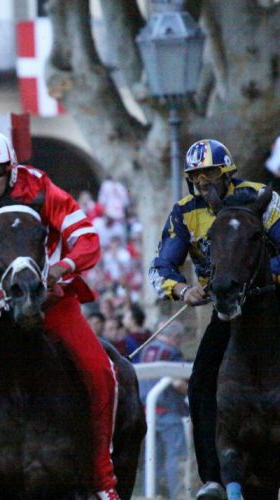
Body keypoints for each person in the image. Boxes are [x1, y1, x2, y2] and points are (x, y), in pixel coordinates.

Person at [0, 130, 119, 499]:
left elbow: (86, 239)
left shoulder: (41, 187)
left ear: (11, 169)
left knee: (102, 372)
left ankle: (102, 477)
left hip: (50, 299)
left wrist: (62, 267)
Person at [149, 139, 280, 499]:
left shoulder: (261, 198)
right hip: (228, 308)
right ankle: (213, 480)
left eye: (210, 178)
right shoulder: (184, 211)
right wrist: (181, 290)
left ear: (226, 176)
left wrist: (257, 275)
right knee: (201, 381)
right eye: (198, 180)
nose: (204, 187)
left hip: (270, 300)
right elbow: (162, 265)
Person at [139, 320, 189, 500]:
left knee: (153, 459)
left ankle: (150, 494)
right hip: (170, 412)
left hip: (149, 413)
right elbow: (177, 382)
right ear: (175, 337)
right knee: (175, 459)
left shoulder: (147, 349)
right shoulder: (172, 352)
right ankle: (177, 496)